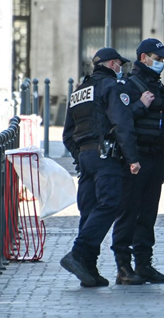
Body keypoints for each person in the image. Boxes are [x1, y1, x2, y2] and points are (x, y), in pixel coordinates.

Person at [60, 48, 145, 287]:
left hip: (85, 158)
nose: (121, 68)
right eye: (119, 64)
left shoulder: (79, 91)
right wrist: (132, 158)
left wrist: (82, 155)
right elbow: (122, 124)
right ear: (111, 64)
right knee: (110, 204)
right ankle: (78, 253)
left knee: (90, 210)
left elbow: (68, 134)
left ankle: (88, 268)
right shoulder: (112, 87)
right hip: (106, 156)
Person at [109, 39, 164, 285]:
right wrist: (140, 106)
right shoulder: (128, 85)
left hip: (156, 158)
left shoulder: (157, 86)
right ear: (143, 57)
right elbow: (120, 121)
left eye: (162, 59)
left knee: (148, 214)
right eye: (157, 58)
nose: (161, 63)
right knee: (128, 213)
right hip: (135, 159)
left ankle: (144, 264)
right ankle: (123, 267)